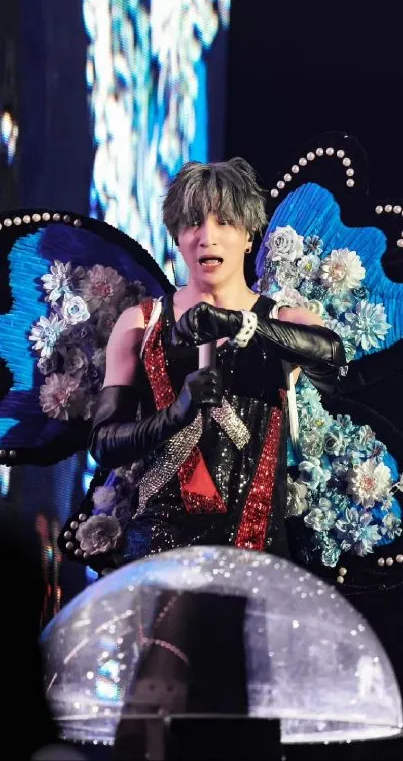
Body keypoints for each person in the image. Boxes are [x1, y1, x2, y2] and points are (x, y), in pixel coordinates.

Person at [58, 158, 345, 572]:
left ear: (249, 235)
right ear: (176, 236)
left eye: (225, 222)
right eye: (193, 223)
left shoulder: (288, 321)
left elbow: (334, 361)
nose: (208, 237)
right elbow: (104, 444)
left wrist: (240, 323)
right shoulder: (142, 323)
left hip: (257, 550)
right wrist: (175, 415)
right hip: (159, 547)